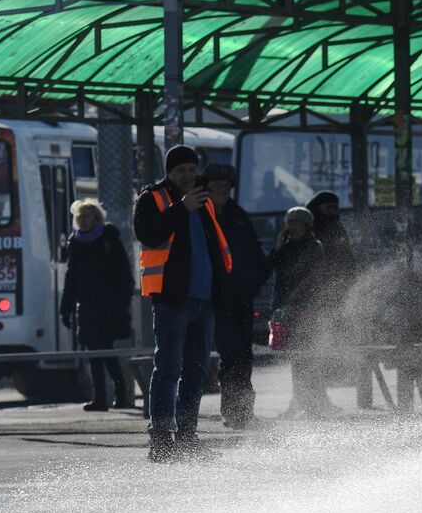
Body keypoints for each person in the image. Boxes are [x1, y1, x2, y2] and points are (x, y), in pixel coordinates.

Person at [134, 145, 234, 463]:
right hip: (173, 299)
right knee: (167, 369)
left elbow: (215, 250)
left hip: (204, 299)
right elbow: (147, 234)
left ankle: (187, 436)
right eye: (181, 170)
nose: (188, 175)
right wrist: (182, 208)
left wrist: (221, 291)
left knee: (196, 370)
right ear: (169, 171)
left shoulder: (203, 202)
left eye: (192, 169)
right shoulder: (154, 198)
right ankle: (161, 440)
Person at [205, 164, 268, 429]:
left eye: (226, 186)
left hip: (241, 297)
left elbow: (254, 254)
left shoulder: (238, 215)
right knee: (231, 355)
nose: (222, 189)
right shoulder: (201, 214)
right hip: (216, 299)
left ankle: (242, 410)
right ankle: (233, 410)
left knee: (243, 355)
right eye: (217, 185)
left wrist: (254, 283)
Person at [60, 198, 135, 412]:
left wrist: (122, 303)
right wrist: (65, 308)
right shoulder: (76, 243)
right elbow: (71, 278)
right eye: (79, 217)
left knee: (104, 348)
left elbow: (124, 273)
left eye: (87, 216)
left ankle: (119, 393)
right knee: (94, 351)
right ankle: (101, 398)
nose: (82, 221)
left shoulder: (109, 238)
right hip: (87, 306)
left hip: (109, 306)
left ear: (97, 218)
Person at [305, 190, 366, 405]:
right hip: (313, 299)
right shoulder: (309, 229)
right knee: (309, 351)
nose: (333, 212)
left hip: (335, 297)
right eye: (328, 208)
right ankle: (309, 399)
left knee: (324, 350)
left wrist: (348, 286)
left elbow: (347, 261)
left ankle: (318, 398)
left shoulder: (336, 228)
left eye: (335, 208)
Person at [269, 205, 330, 417]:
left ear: (306, 225)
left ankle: (312, 404)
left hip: (308, 309)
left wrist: (292, 301)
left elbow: (311, 278)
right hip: (289, 310)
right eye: (289, 224)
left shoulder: (314, 247)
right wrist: (278, 245)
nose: (292, 228)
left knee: (309, 357)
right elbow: (271, 267)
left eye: (296, 223)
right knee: (297, 358)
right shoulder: (286, 248)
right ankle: (300, 402)